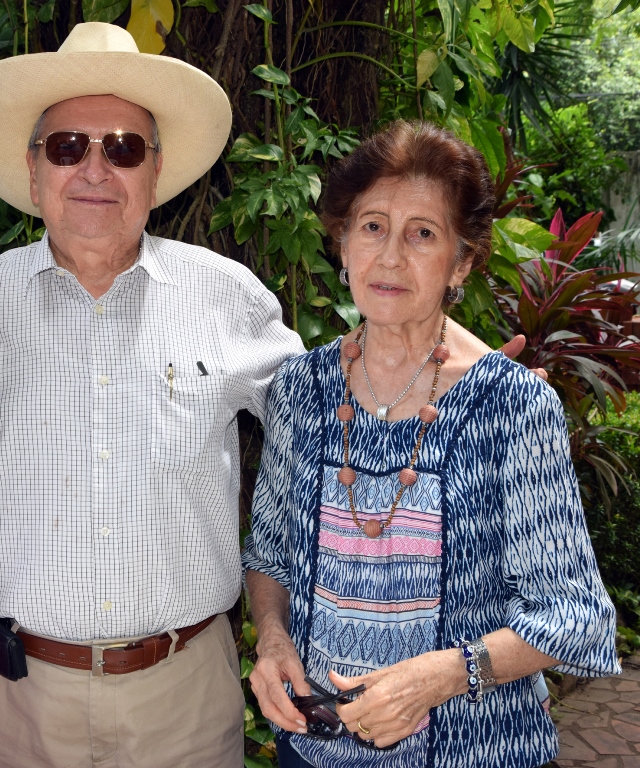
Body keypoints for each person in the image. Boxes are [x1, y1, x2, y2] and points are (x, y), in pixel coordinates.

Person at [0, 20, 305, 768]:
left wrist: (456, 380)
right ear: (33, 172)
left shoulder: (225, 294)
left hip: (184, 694)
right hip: (16, 694)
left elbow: (330, 421)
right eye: (69, 147)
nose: (96, 169)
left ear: (155, 174)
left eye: (124, 148)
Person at [242, 121, 620, 768]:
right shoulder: (302, 389)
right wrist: (272, 639)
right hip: (314, 752)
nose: (390, 256)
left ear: (463, 262)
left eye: (422, 233)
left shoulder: (511, 406)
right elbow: (270, 554)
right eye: (371, 226)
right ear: (341, 243)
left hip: (475, 753)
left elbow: (575, 617)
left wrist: (444, 675)